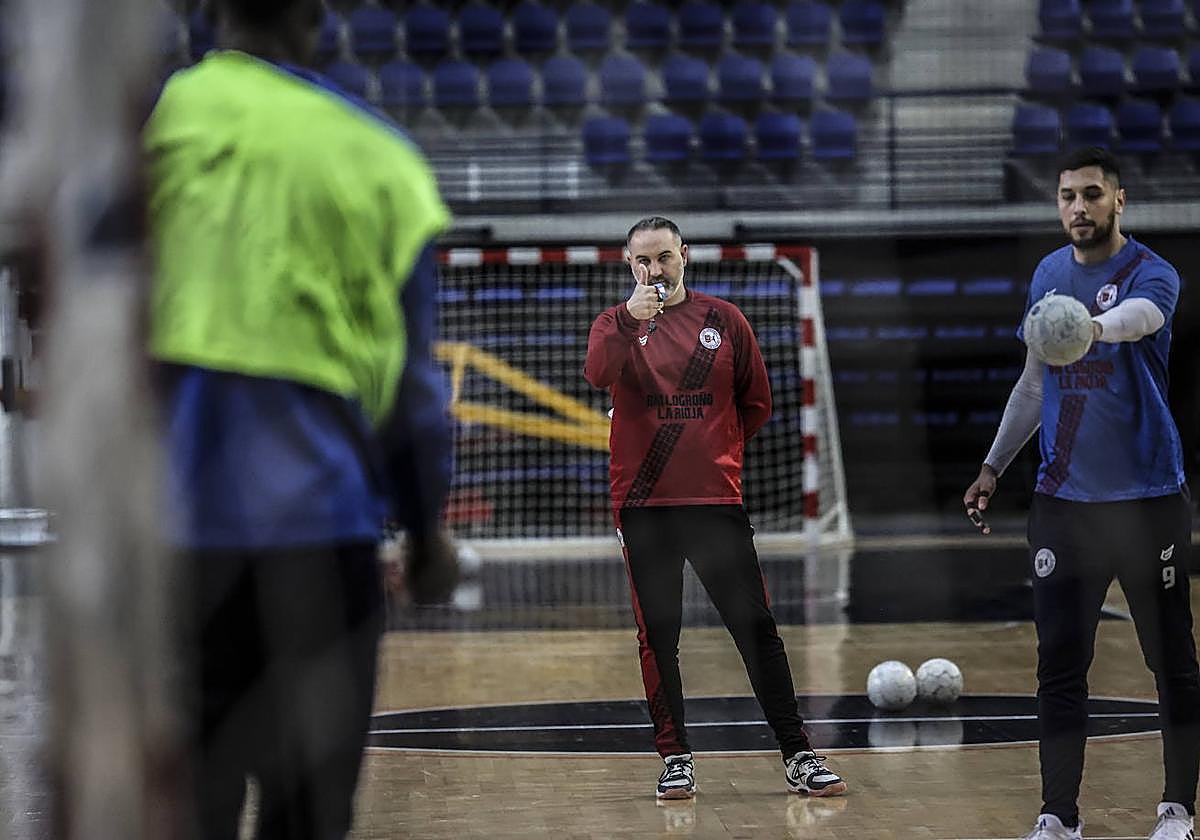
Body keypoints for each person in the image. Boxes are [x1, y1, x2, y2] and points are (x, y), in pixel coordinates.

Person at [144, 1, 456, 836]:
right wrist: (426, 538)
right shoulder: (379, 161)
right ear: (318, 16)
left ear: (210, 12)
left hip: (172, 551)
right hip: (319, 548)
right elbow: (413, 398)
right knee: (308, 817)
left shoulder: (145, 134)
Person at [964, 147, 1200, 840]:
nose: (1078, 208)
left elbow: (1142, 322)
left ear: (1118, 201)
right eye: (1067, 196)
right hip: (1062, 502)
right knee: (1061, 663)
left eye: (1092, 195)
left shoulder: (1152, 273)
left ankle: (1177, 810)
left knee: (1171, 660)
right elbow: (1035, 382)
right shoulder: (1048, 274)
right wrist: (993, 464)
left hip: (1145, 498)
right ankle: (1057, 816)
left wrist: (1092, 328)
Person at [583, 217, 847, 801]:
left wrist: (713, 447)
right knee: (659, 635)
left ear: (685, 256)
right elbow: (598, 372)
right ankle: (676, 756)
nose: (655, 271)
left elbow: (756, 403)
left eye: (664, 258)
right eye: (643, 262)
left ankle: (798, 752)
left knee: (755, 628)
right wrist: (631, 319)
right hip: (644, 506)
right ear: (630, 267)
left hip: (714, 504)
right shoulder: (613, 326)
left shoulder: (723, 320)